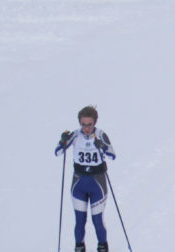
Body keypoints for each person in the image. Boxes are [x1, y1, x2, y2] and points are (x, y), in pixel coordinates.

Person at [55, 105, 117, 252]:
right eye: (83, 124)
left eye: (89, 125)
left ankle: (102, 247)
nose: (86, 128)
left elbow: (112, 154)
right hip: (79, 184)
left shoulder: (101, 134)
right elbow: (58, 152)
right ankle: (79, 247)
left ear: (94, 122)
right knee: (80, 221)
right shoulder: (76, 135)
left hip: (97, 185)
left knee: (97, 221)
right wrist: (63, 141)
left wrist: (101, 146)